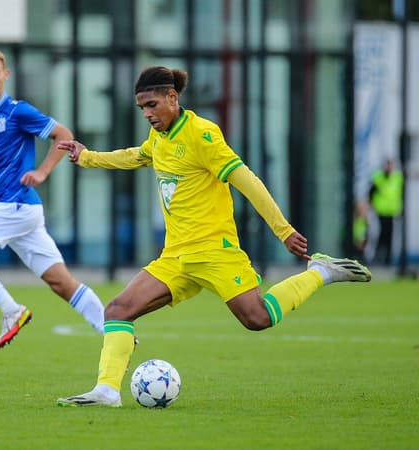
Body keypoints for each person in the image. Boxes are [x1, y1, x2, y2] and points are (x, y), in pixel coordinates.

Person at [56, 66, 372, 407]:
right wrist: (86, 157)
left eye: (152, 105)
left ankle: (321, 272)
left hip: (215, 252)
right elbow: (137, 155)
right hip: (176, 257)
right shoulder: (159, 138)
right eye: (142, 108)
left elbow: (246, 180)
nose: (147, 113)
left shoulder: (203, 134)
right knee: (117, 310)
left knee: (257, 319)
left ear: (172, 98)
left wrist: (284, 230)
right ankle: (107, 390)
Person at [0, 46, 105, 349]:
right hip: (19, 212)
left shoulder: (18, 111)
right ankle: (112, 331)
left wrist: (43, 172)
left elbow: (64, 134)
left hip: (16, 205)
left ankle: (11, 310)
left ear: (6, 75)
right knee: (61, 282)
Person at [369, 159, 403, 265]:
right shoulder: (378, 178)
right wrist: (372, 205)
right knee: (383, 233)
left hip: (392, 211)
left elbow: (400, 194)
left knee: (389, 234)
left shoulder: (397, 178)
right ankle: (379, 256)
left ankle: (387, 258)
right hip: (381, 211)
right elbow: (371, 193)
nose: (388, 168)